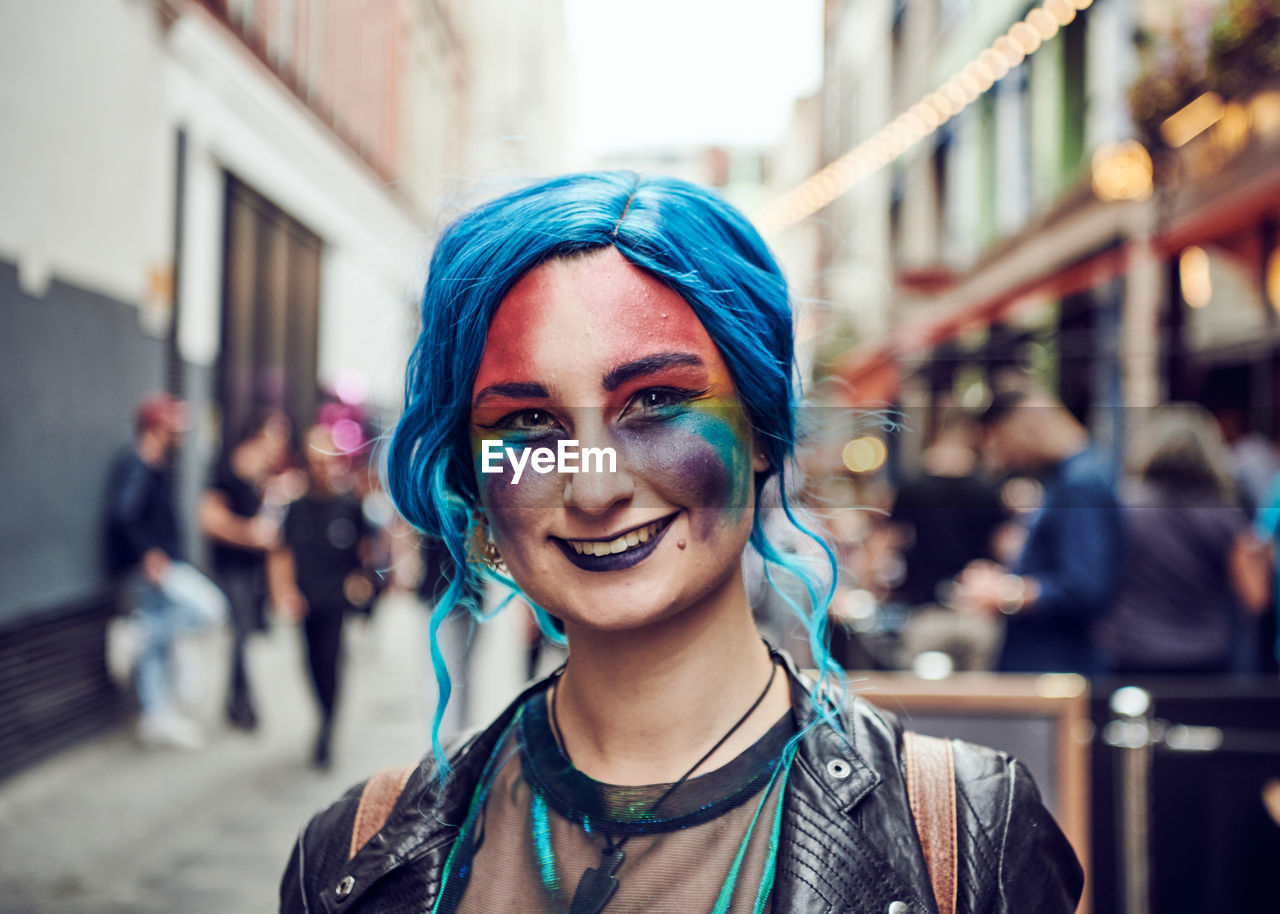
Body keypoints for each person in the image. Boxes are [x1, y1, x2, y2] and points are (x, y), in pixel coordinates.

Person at [280, 173, 1082, 912]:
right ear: (476, 473)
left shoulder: (967, 834)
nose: (594, 488)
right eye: (529, 422)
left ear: (762, 431)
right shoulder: (358, 856)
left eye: (656, 401)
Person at [955, 388, 1123, 675]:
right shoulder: (1069, 479)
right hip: (1049, 665)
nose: (1006, 460)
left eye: (1004, 445)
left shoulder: (1079, 484)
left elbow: (1084, 588)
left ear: (1031, 424)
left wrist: (1005, 592)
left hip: (1056, 668)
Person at [1103, 404, 1269, 674]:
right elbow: (1255, 596)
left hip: (1133, 650)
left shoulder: (1124, 505)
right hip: (1204, 656)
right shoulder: (1223, 513)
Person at [105, 392, 227, 748]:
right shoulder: (137, 464)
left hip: (157, 565)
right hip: (154, 567)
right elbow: (122, 515)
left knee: (156, 653)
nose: (181, 432)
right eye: (174, 423)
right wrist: (148, 555)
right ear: (156, 426)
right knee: (211, 609)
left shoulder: (154, 466)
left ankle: (156, 716)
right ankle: (139, 632)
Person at [269, 422, 373, 768]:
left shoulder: (348, 504)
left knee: (331, 660)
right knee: (309, 662)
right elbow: (281, 553)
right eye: (314, 461)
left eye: (325, 461)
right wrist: (284, 592)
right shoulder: (296, 507)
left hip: (335, 600)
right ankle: (323, 714)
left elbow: (365, 549)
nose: (321, 469)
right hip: (306, 599)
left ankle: (328, 728)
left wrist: (361, 578)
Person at [888, 408, 1010, 671]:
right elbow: (1005, 548)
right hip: (978, 613)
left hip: (925, 611)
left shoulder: (913, 487)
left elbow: (889, 544)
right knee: (978, 700)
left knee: (919, 702)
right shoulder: (988, 490)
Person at [199, 410, 291, 730]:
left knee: (243, 636)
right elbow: (210, 521)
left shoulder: (259, 477)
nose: (279, 446)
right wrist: (251, 535)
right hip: (230, 568)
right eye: (275, 437)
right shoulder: (228, 472)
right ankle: (243, 704)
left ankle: (238, 702)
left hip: (249, 571)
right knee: (239, 635)